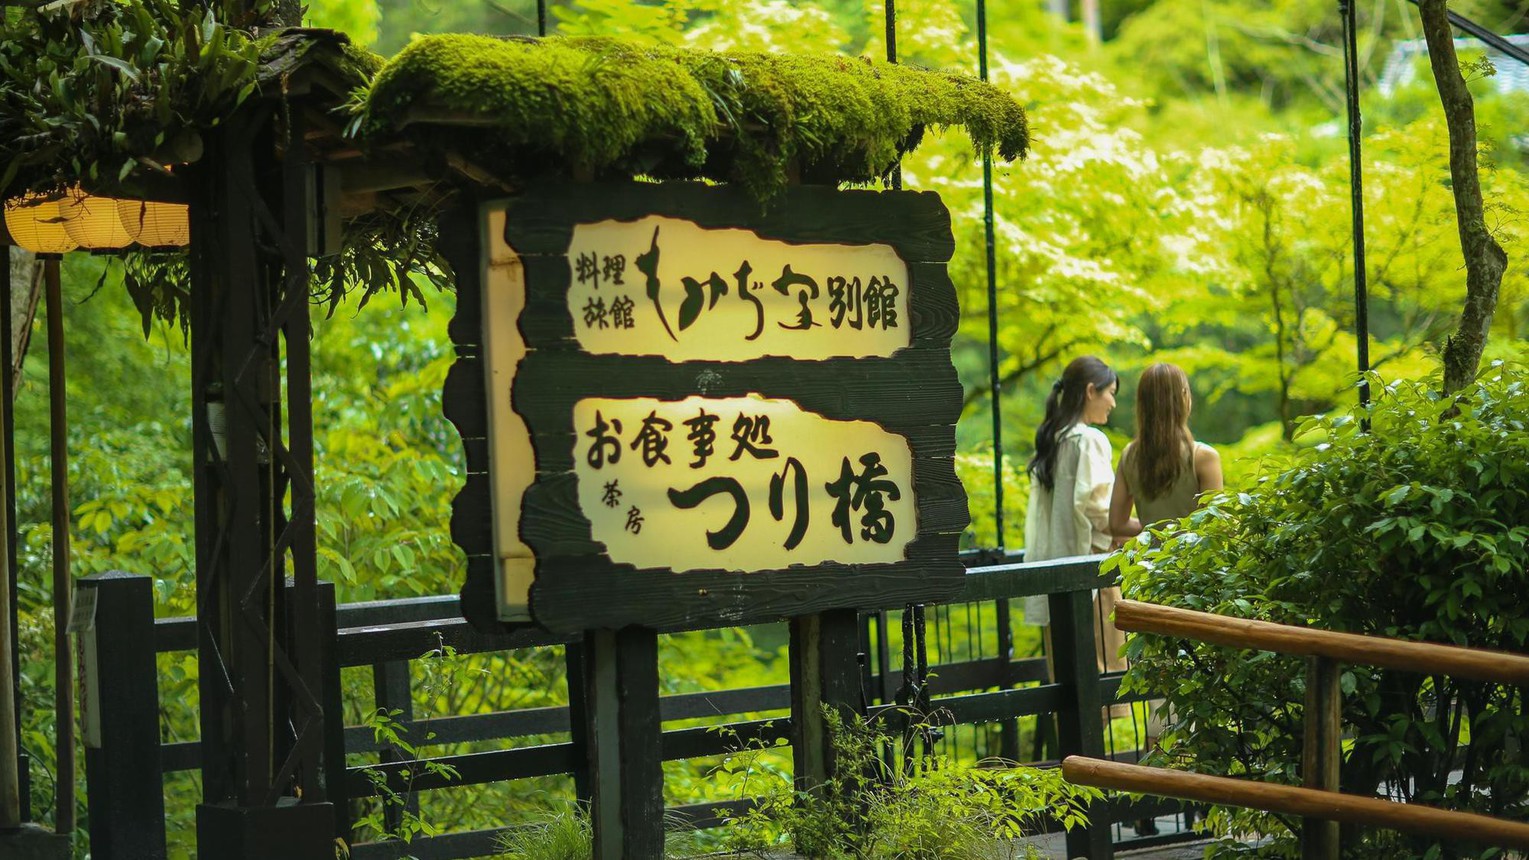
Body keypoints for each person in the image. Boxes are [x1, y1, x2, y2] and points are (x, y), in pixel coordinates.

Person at [1107, 362, 1222, 837]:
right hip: (1197, 590)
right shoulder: (1202, 456)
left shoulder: (1131, 457)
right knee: (1202, 692)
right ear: (1182, 400)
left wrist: (1153, 529)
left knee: (1159, 697)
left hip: (1151, 590)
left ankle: (1149, 801)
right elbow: (1217, 526)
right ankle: (1204, 803)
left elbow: (1116, 525)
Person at [1023, 355, 1127, 677]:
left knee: (1068, 684)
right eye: (1110, 393)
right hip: (1091, 574)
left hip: (1057, 575)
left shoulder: (1055, 440)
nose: (1113, 403)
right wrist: (1138, 527)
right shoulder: (1087, 440)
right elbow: (1100, 511)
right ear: (1090, 391)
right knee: (1098, 682)